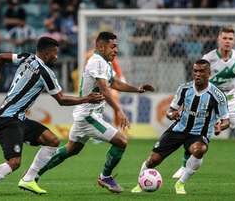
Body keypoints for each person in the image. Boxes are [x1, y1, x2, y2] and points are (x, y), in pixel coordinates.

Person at [0, 37, 104, 197]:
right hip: (8, 120)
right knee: (14, 162)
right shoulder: (46, 73)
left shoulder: (26, 57)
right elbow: (61, 99)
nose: (56, 57)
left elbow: (0, 57)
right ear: (46, 53)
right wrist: (87, 98)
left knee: (52, 141)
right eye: (55, 53)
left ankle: (28, 179)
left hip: (18, 118)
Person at [18, 31, 155, 194]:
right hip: (88, 116)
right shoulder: (96, 61)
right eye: (113, 47)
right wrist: (119, 110)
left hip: (86, 114)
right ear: (101, 46)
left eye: (117, 47)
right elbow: (105, 89)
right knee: (121, 141)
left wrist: (137, 89)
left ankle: (32, 175)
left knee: (71, 149)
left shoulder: (105, 63)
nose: (116, 50)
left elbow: (114, 83)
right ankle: (105, 177)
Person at [172, 26, 235, 179]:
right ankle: (183, 167)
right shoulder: (209, 59)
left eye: (230, 39)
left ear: (234, 41)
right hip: (210, 101)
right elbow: (197, 81)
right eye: (225, 38)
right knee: (195, 134)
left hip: (231, 99)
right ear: (219, 39)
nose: (227, 41)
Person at [131, 59, 230, 194]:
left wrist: (220, 127)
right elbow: (170, 111)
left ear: (209, 73)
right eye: (195, 71)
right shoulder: (184, 89)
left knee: (200, 149)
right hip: (178, 129)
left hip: (198, 134)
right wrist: (172, 115)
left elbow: (226, 120)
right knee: (153, 160)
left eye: (201, 71)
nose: (198, 74)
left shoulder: (218, 95)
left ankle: (180, 183)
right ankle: (140, 184)